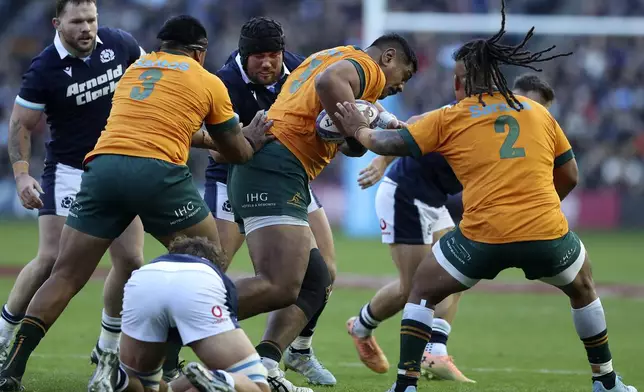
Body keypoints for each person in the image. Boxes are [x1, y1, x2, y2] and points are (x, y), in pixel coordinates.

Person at [331, 2, 638, 391]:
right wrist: (539, 204)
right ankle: (606, 382)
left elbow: (386, 139)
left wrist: (359, 129)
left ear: (465, 80)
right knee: (583, 288)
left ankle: (406, 384)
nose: (455, 86)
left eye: (457, 79)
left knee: (423, 288)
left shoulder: (452, 116)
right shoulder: (538, 112)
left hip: (483, 236)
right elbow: (571, 175)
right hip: (545, 231)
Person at [0, 15, 273, 392]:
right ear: (200, 51)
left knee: (65, 274)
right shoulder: (207, 80)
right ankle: (170, 364)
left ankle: (11, 369)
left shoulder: (135, 69)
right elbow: (237, 152)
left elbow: (161, 120)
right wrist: (253, 139)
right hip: (157, 171)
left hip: (102, 168)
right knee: (211, 258)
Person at [222, 33, 416, 391]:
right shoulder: (369, 70)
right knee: (279, 284)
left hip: (281, 169)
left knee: (316, 280)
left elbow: (343, 138)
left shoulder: (335, 53)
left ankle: (265, 365)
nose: (401, 86)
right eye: (404, 75)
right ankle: (181, 312)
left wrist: (356, 134)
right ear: (389, 57)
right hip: (276, 167)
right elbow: (330, 84)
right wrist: (359, 129)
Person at [346, 72, 556, 382]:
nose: (535, 113)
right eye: (530, 104)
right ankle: (361, 328)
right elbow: (416, 121)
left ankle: (436, 352)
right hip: (406, 192)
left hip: (434, 200)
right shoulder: (480, 112)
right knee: (413, 288)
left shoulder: (530, 132)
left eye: (543, 110)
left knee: (456, 275)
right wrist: (381, 161)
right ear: (513, 97)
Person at [3, 0, 146, 373]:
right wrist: (21, 175)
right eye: (78, 21)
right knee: (52, 259)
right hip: (70, 171)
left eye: (92, 19)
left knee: (131, 261)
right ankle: (4, 336)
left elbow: (154, 78)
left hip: (117, 167)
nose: (87, 28)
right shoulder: (44, 68)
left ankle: (107, 346)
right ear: (57, 23)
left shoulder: (121, 44)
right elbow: (20, 125)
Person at [201, 17, 336, 387]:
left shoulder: (300, 70)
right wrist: (239, 139)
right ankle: (180, 332)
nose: (267, 64)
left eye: (273, 55)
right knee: (213, 269)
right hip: (231, 178)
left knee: (324, 272)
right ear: (243, 57)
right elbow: (211, 151)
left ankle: (292, 352)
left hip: (287, 177)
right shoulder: (223, 83)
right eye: (258, 57)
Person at [102, 236, 269, 392]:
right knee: (258, 385)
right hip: (197, 281)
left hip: (144, 280)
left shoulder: (158, 265)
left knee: (144, 383)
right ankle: (221, 378)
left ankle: (117, 378)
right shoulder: (210, 272)